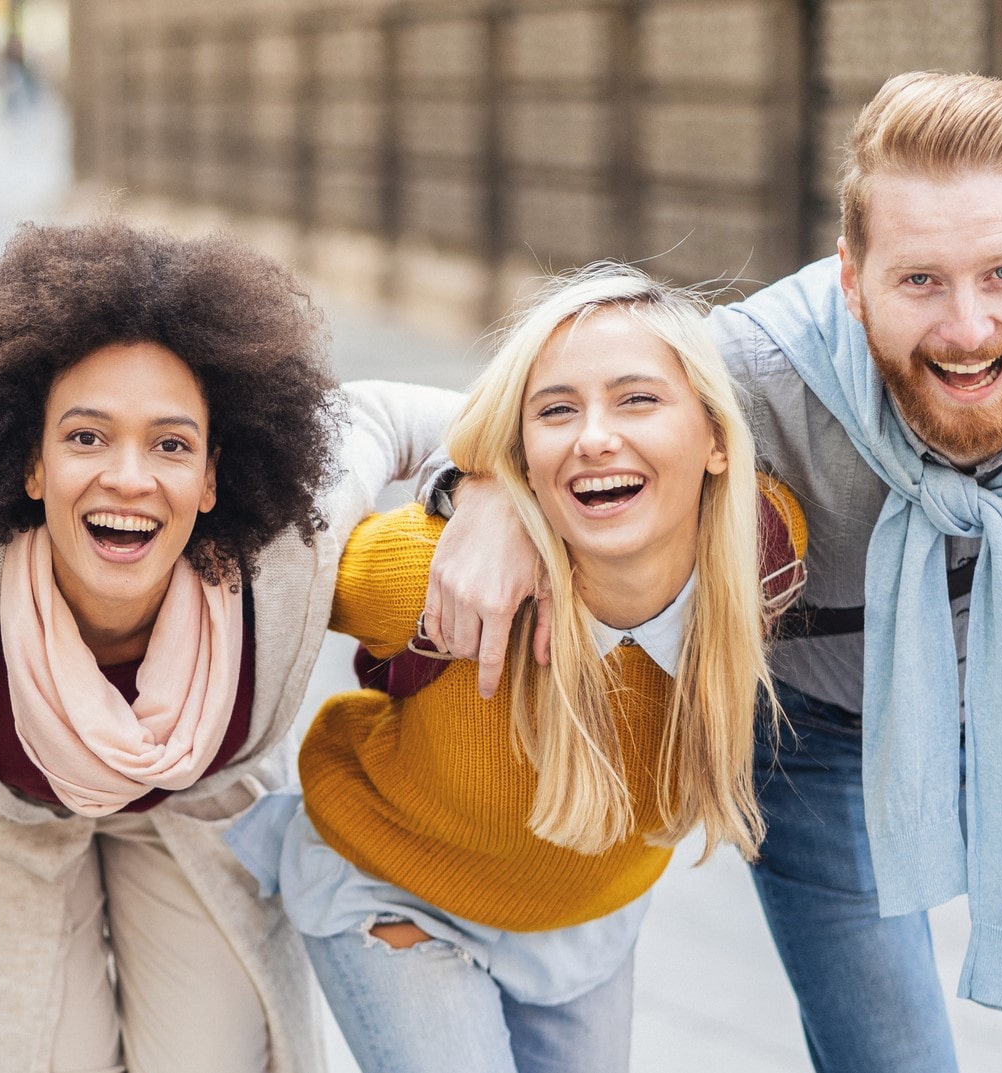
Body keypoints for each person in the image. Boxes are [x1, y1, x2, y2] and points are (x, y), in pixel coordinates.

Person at [422, 72, 1002, 1071]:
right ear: (849, 280)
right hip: (816, 734)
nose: (968, 328)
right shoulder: (751, 375)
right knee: (893, 1052)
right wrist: (489, 489)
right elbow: (553, 411)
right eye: (920, 281)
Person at [0, 220, 462, 1072]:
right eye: (86, 436)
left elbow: (408, 414)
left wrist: (484, 496)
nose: (128, 477)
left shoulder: (287, 541)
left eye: (170, 444)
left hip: (194, 806)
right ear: (30, 463)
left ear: (211, 475)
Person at [227, 266, 807, 1073]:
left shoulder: (764, 552)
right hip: (396, 889)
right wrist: (472, 484)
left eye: (637, 398)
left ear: (715, 438)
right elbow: (276, 550)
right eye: (557, 410)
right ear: (524, 451)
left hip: (587, 920)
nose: (594, 436)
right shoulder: (426, 574)